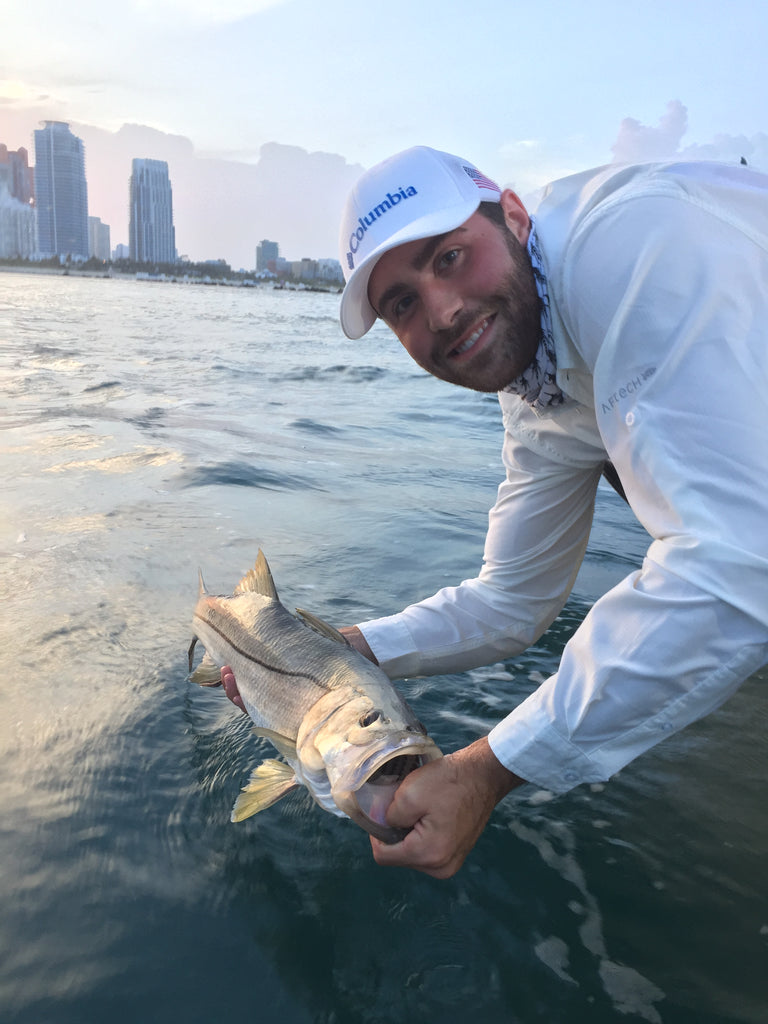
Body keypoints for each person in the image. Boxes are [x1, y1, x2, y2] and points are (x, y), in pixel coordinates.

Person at [222, 146, 768, 878]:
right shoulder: (537, 389)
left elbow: (738, 557)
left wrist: (487, 769)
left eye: (450, 257)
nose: (442, 311)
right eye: (402, 303)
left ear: (513, 215)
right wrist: (350, 649)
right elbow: (513, 599)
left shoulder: (633, 250)